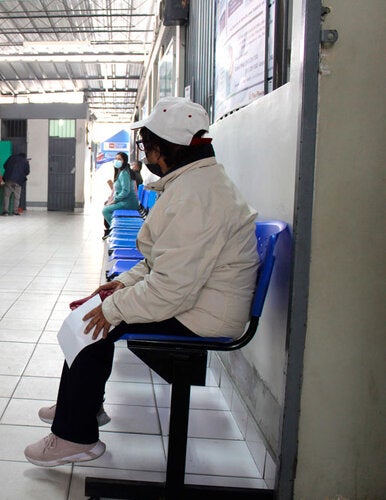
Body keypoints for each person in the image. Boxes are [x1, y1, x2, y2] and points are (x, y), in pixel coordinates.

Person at [24, 97, 259, 467]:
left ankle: (75, 436)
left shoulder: (197, 195)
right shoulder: (193, 183)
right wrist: (120, 286)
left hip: (204, 314)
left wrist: (112, 308)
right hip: (198, 298)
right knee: (94, 313)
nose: (145, 153)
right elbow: (159, 262)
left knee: (94, 324)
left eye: (149, 145)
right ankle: (82, 407)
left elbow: (172, 287)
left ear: (167, 149)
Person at [101, 152, 140, 239]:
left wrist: (115, 200)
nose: (117, 161)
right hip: (125, 201)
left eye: (119, 159)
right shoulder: (122, 172)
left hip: (128, 202)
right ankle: (115, 229)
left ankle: (116, 231)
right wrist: (112, 200)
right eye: (116, 159)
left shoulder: (124, 173)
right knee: (107, 206)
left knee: (106, 210)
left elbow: (126, 191)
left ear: (124, 161)